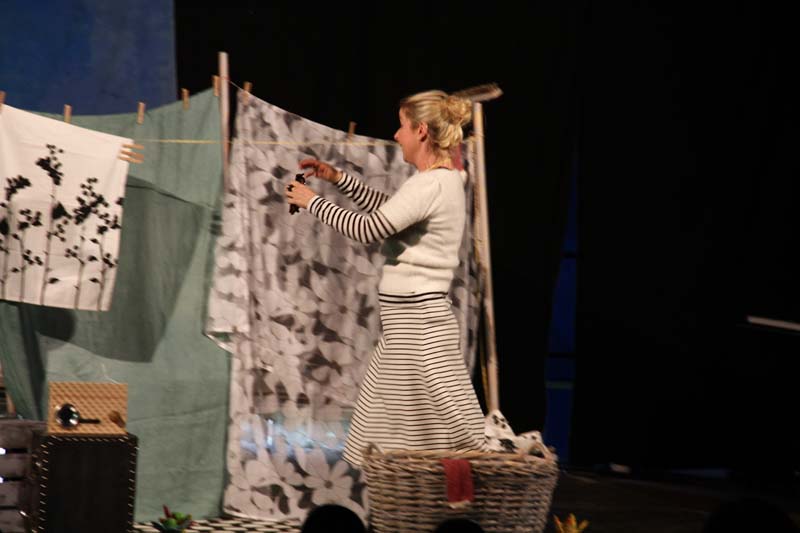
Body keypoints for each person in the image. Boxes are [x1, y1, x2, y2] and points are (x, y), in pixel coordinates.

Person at [285, 89, 485, 466]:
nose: (396, 135)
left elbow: (369, 228)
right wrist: (340, 179)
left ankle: (440, 493)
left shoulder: (432, 184)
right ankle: (415, 494)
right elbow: (392, 213)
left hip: (418, 329)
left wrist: (312, 201)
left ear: (421, 131)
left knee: (431, 436)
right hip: (407, 327)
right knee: (403, 437)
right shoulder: (438, 182)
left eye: (402, 126)